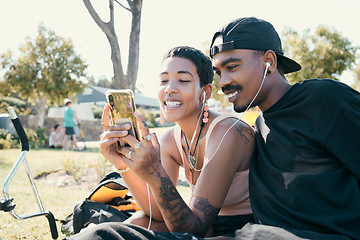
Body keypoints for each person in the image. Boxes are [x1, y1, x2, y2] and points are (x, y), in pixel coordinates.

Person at [65, 46, 255, 239]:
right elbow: (156, 212)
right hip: (203, 227)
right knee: (137, 221)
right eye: (163, 80)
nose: (169, 88)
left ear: (205, 91)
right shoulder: (171, 139)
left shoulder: (228, 132)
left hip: (240, 232)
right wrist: (122, 165)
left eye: (183, 80)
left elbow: (192, 230)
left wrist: (154, 172)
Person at [209, 17, 360, 239]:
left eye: (232, 67)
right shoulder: (257, 129)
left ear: (268, 61)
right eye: (219, 72)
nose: (222, 82)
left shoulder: (322, 99)